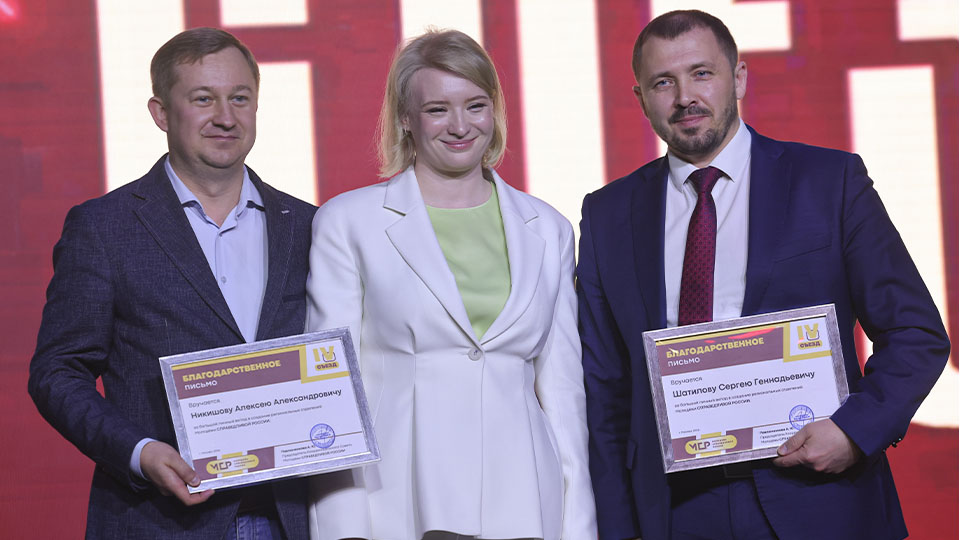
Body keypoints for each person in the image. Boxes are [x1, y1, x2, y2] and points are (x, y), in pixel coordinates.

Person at [576, 9, 949, 540]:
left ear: (739, 77)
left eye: (701, 73)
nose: (685, 97)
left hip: (821, 498)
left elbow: (915, 333)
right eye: (663, 82)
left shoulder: (830, 182)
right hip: (674, 511)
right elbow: (604, 389)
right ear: (640, 98)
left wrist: (852, 432)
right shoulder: (608, 214)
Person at [305, 29, 596, 540]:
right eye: (438, 109)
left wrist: (578, 527)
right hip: (398, 502)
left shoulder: (548, 228)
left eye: (475, 106)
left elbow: (563, 395)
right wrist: (342, 530)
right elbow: (332, 390)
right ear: (406, 119)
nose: (460, 126)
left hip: (523, 500)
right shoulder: (348, 222)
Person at [28, 27, 316, 539]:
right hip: (161, 521)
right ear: (161, 113)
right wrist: (138, 452)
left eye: (239, 98)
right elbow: (58, 371)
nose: (225, 117)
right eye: (203, 99)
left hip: (292, 517)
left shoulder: (310, 226)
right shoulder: (105, 227)